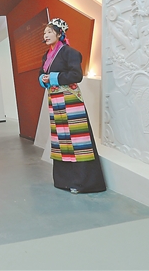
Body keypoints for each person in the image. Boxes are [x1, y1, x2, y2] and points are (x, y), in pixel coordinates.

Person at [39, 18, 106, 194]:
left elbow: (76, 75)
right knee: (61, 141)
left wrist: (53, 77)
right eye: (44, 32)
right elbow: (42, 73)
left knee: (77, 140)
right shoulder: (47, 55)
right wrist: (43, 78)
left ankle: (83, 182)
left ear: (59, 34)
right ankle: (64, 181)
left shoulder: (70, 53)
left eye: (49, 32)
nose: (46, 35)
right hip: (55, 102)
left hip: (70, 101)